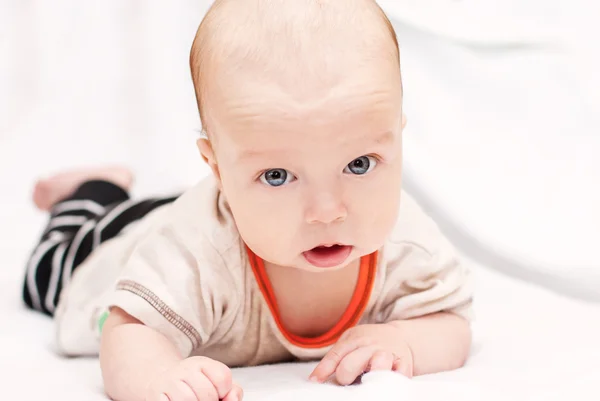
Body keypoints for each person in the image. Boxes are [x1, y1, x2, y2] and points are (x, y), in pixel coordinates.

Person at [22, 1, 474, 400]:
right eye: (277, 175)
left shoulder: (407, 243)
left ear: (398, 134)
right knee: (46, 274)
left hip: (215, 209)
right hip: (120, 243)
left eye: (359, 164)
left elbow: (449, 322)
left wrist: (405, 341)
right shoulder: (194, 254)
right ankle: (92, 189)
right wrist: (158, 374)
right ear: (216, 167)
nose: (328, 211)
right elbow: (128, 331)